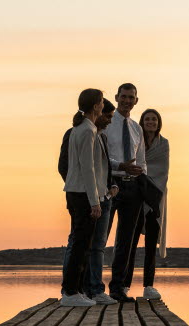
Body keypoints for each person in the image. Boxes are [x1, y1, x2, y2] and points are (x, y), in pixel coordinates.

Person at [58, 99, 118, 305]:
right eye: (107, 115)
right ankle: (71, 292)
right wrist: (91, 198)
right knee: (79, 243)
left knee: (88, 244)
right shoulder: (84, 132)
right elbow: (83, 169)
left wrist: (107, 189)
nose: (110, 120)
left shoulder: (95, 133)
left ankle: (80, 290)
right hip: (82, 194)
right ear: (96, 108)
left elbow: (99, 168)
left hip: (93, 194)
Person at [103, 83, 147, 302]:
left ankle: (118, 288)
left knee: (126, 241)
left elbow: (142, 162)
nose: (127, 101)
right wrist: (121, 166)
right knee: (100, 237)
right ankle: (90, 286)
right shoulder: (107, 125)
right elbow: (100, 159)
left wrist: (143, 186)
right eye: (124, 96)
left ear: (136, 101)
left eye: (131, 97)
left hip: (133, 187)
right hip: (111, 183)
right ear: (117, 97)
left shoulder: (137, 129)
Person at [124, 109, 169, 300]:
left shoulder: (164, 144)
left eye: (154, 119)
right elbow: (133, 165)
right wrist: (138, 182)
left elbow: (162, 171)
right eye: (147, 119)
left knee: (150, 243)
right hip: (135, 195)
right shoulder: (135, 139)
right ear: (142, 122)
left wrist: (146, 184)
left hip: (155, 196)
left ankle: (148, 286)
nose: (151, 122)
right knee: (130, 243)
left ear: (159, 123)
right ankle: (124, 285)